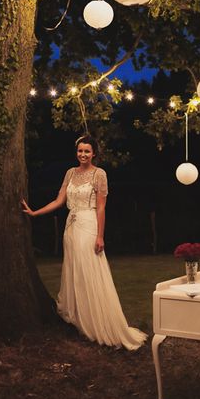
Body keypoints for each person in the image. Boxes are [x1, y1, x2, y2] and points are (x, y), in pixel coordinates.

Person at [21, 135, 147, 351]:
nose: (83, 154)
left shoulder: (99, 174)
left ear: (94, 153)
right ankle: (79, 318)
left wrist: (100, 236)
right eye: (80, 151)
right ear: (76, 152)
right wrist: (35, 212)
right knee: (75, 271)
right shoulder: (70, 173)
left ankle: (98, 322)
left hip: (88, 225)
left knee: (89, 271)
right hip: (70, 226)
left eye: (87, 151)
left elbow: (101, 207)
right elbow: (60, 200)